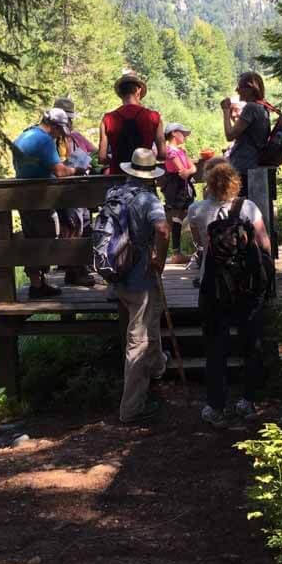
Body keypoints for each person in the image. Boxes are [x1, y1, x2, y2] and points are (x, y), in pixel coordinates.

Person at [188, 161, 272, 429]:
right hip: (247, 287)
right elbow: (265, 243)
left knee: (215, 348)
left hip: (213, 287)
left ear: (208, 184)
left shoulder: (197, 210)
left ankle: (216, 407)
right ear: (235, 181)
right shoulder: (248, 207)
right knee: (251, 345)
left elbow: (200, 245)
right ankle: (248, 402)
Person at [113, 147, 171, 424]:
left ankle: (156, 366)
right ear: (151, 175)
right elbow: (162, 229)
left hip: (116, 273)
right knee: (137, 339)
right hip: (140, 276)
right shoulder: (149, 200)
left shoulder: (114, 194)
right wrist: (159, 258)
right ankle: (131, 409)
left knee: (151, 317)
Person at [13, 108, 78, 297]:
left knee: (32, 238)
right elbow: (59, 171)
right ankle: (38, 284)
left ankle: (37, 283)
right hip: (40, 196)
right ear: (55, 126)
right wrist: (77, 170)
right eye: (60, 130)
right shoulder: (44, 140)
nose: (60, 135)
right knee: (49, 235)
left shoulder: (24, 136)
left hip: (22, 196)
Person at [52, 96, 97, 287]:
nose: (69, 121)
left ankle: (81, 266)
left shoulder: (76, 137)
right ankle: (73, 270)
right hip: (63, 190)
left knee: (84, 223)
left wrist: (86, 160)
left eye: (70, 118)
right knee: (71, 226)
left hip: (81, 189)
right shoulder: (52, 139)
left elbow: (94, 152)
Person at [98, 71, 165, 175]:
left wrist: (116, 161)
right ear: (138, 91)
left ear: (120, 93)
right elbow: (162, 155)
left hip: (117, 177)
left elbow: (102, 158)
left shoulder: (107, 119)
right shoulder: (154, 117)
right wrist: (145, 160)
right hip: (144, 176)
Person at [221, 72, 271, 193]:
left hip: (243, 166)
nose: (237, 90)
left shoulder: (251, 108)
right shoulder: (263, 108)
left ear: (250, 88)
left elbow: (230, 135)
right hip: (253, 164)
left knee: (238, 207)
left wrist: (226, 111)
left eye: (240, 87)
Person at [161, 123, 197, 262]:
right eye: (182, 133)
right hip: (175, 189)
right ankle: (175, 253)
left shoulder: (181, 151)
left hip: (183, 189)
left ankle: (178, 252)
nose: (185, 136)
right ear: (174, 133)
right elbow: (182, 171)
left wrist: (188, 171)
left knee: (180, 218)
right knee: (175, 218)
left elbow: (191, 168)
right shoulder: (170, 151)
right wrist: (188, 171)